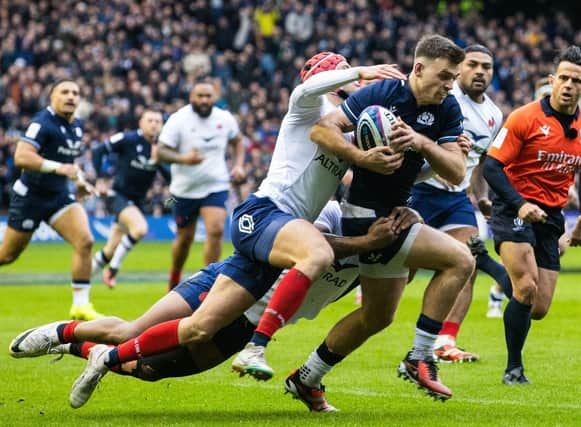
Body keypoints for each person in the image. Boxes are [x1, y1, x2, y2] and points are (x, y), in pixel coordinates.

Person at [65, 55, 407, 408]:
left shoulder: (347, 127)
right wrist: (360, 72)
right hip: (266, 214)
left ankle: (76, 346)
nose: (355, 77)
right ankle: (257, 345)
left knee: (149, 369)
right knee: (308, 255)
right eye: (341, 70)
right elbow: (307, 88)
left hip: (279, 238)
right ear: (329, 78)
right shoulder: (308, 105)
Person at [11, 202, 420, 411]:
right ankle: (60, 333)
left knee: (152, 371)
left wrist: (402, 252)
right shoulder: (333, 211)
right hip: (230, 282)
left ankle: (84, 351)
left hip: (251, 319)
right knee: (131, 332)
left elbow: (398, 281)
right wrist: (367, 243)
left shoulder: (396, 239)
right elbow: (310, 244)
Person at [283, 34, 476, 409]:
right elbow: (322, 129)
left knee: (377, 316)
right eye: (443, 76)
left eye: (453, 77)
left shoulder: (448, 107)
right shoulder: (382, 93)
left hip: (397, 211)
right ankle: (420, 356)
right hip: (364, 216)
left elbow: (455, 172)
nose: (449, 84)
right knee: (461, 260)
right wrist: (362, 157)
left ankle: (307, 378)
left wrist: (421, 142)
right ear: (419, 69)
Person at [483, 45, 581, 384]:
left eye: (575, 80)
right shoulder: (524, 117)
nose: (567, 84)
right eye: (562, 77)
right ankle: (513, 369)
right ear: (551, 80)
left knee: (539, 307)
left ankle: (488, 266)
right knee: (526, 286)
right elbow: (492, 167)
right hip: (513, 207)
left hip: (551, 215)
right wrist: (519, 203)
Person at [405, 44, 512, 363]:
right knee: (400, 272)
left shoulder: (494, 114)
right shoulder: (443, 99)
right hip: (420, 192)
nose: (480, 71)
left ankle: (445, 340)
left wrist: (480, 196)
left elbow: (479, 162)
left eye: (487, 67)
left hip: (456, 198)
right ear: (458, 69)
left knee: (466, 263)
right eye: (473, 65)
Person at [0, 79, 103, 320]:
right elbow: (22, 156)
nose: (71, 96)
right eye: (64, 92)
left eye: (75, 93)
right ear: (52, 97)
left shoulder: (76, 126)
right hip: (31, 198)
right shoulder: (42, 123)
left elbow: (69, 164)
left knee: (85, 240)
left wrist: (79, 183)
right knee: (7, 256)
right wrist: (58, 168)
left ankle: (80, 305)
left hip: (58, 196)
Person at [158, 81, 246, 290]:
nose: (204, 100)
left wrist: (239, 165)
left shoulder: (225, 119)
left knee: (215, 230)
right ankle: (175, 276)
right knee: (184, 239)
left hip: (215, 185)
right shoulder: (178, 119)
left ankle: (209, 283)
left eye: (208, 96)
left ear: (214, 97)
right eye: (200, 96)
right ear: (192, 97)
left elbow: (238, 141)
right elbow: (161, 151)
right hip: (184, 190)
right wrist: (183, 158)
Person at [90, 110, 169, 288]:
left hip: (137, 202)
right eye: (150, 120)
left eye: (158, 121)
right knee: (140, 228)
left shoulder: (162, 148)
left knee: (110, 249)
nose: (154, 124)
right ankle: (113, 270)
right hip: (118, 196)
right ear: (141, 123)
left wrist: (159, 161)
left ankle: (81, 281)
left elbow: (172, 179)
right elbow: (98, 151)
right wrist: (100, 178)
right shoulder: (128, 139)